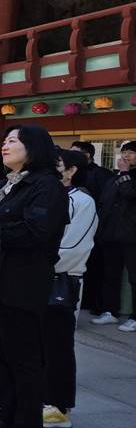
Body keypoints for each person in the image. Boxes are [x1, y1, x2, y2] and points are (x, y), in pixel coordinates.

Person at [0, 125, 69, 428]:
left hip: (24, 282)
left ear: (34, 147)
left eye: (13, 141)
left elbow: (35, 232)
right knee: (2, 351)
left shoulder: (47, 187)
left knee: (25, 357)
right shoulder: (7, 184)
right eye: (5, 140)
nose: (5, 145)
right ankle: (7, 416)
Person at [42, 149, 98, 428]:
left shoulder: (82, 201)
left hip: (62, 280)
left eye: (58, 164)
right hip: (38, 277)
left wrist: (35, 262)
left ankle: (59, 406)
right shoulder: (52, 196)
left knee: (58, 345)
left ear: (72, 170)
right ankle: (42, 399)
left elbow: (74, 247)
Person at [91, 140, 136, 330]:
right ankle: (110, 311)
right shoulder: (114, 177)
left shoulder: (126, 176)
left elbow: (130, 194)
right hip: (111, 233)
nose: (126, 156)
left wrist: (125, 174)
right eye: (124, 152)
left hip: (132, 235)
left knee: (134, 276)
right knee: (111, 274)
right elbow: (105, 203)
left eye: (131, 152)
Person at [71, 141, 111, 319]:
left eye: (75, 152)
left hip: (95, 227)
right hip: (74, 227)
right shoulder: (72, 173)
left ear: (87, 155)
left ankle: (97, 303)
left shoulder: (101, 174)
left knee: (96, 268)